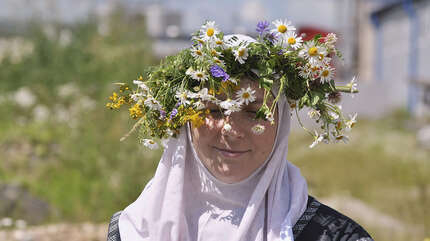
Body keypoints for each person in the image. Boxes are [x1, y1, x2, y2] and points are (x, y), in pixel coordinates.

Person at [106, 20, 373, 241]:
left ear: (281, 124)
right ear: (186, 118)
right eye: (214, 110)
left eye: (253, 112)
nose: (232, 130)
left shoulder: (334, 236)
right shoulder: (135, 231)